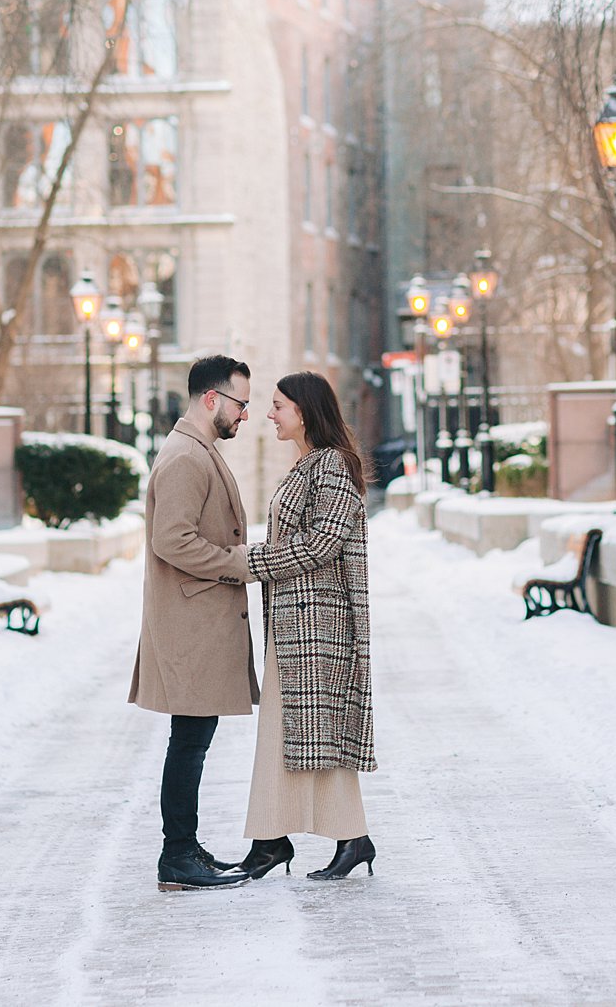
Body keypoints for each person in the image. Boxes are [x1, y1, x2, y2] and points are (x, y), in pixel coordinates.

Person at [233, 370, 378, 882]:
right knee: (285, 733)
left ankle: (347, 837)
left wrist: (251, 562)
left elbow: (323, 544)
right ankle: (273, 839)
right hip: (294, 622)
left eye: (278, 405)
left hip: (321, 624)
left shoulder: (332, 466)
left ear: (305, 410)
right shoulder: (307, 464)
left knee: (320, 734)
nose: (269, 415)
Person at [130, 354, 258, 891]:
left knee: (192, 738)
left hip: (196, 618)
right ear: (212, 400)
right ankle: (176, 856)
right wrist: (242, 562)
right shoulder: (186, 456)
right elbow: (172, 539)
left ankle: (184, 849)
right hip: (190, 622)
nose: (245, 416)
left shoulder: (195, 448)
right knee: (189, 740)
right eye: (241, 404)